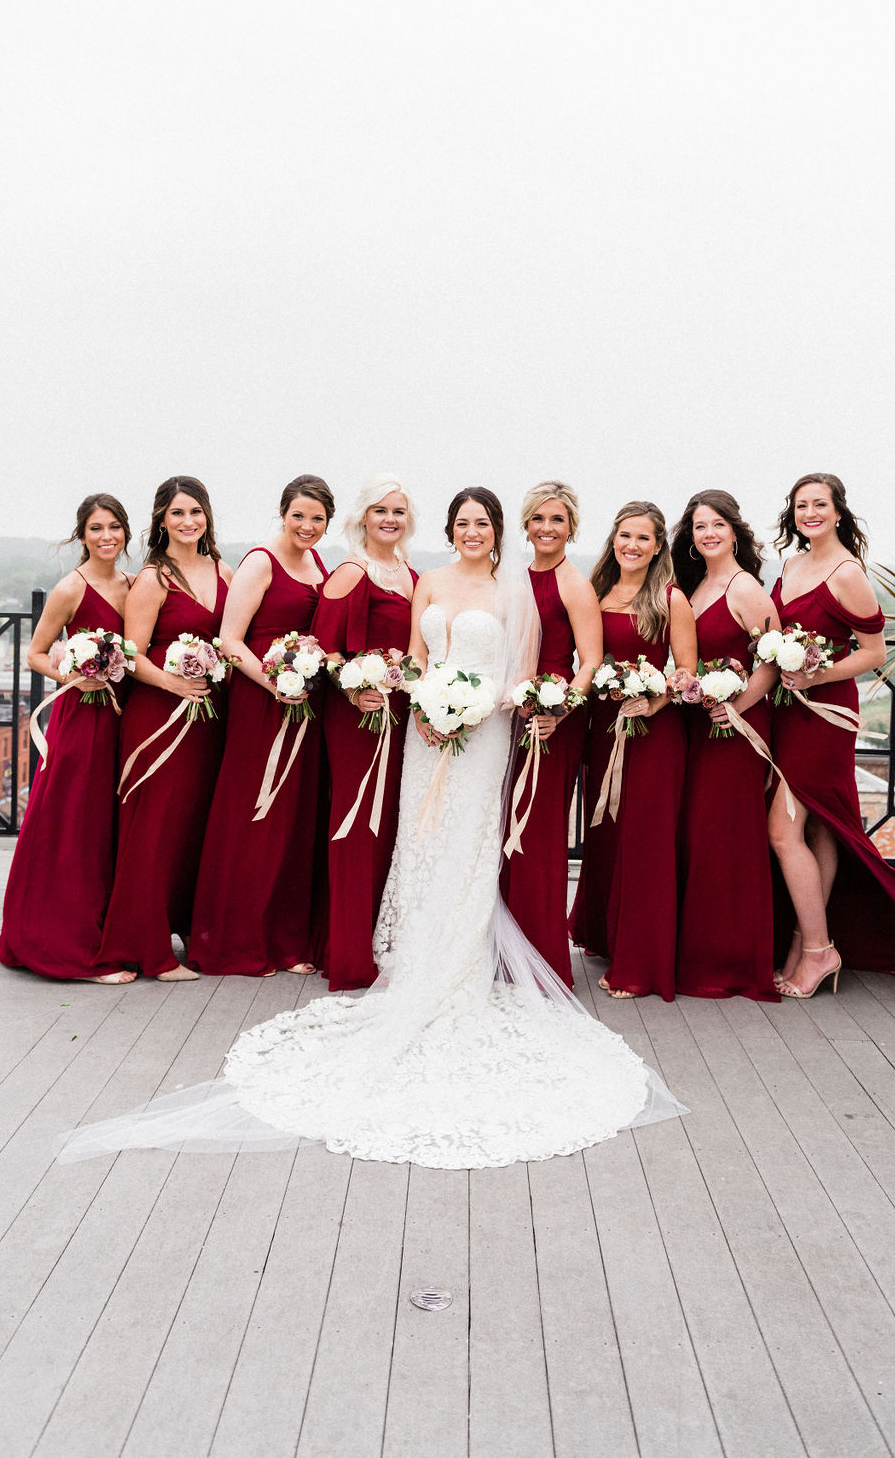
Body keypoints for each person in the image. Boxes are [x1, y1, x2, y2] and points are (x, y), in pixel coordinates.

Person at [57, 487, 685, 1168]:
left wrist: (506, 704)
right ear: (448, 530)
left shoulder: (519, 591)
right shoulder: (431, 581)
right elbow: (415, 657)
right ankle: (412, 955)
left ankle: (461, 967)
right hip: (424, 728)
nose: (472, 532)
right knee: (420, 838)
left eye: (483, 523)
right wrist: (426, 700)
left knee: (470, 844)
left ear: (498, 533)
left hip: (487, 733)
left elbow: (528, 668)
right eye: (462, 523)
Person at [768, 472, 895, 996]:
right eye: (800, 505)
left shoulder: (847, 572)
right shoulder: (791, 564)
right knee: (821, 827)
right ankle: (802, 944)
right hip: (789, 711)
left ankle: (818, 950)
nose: (809, 513)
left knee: (781, 831)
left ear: (839, 512)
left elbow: (874, 654)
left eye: (819, 504)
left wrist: (816, 673)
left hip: (826, 715)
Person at [189, 475, 333, 976]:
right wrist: (276, 684)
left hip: (305, 705)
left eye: (317, 518)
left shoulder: (317, 562)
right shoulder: (259, 561)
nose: (307, 526)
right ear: (282, 513)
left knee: (294, 820)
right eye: (299, 516)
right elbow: (230, 639)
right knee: (254, 814)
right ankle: (238, 940)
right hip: (262, 702)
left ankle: (286, 940)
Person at [0, 495, 136, 983]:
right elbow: (35, 653)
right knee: (75, 825)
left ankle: (110, 932)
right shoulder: (69, 589)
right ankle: (68, 944)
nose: (106, 537)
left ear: (126, 533)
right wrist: (76, 670)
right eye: (96, 528)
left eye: (115, 527)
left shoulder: (133, 584)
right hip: (82, 718)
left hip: (126, 719)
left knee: (112, 828)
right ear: (82, 535)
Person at [98, 477, 231, 980]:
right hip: (158, 717)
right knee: (152, 829)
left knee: (190, 827)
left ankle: (184, 927)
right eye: (177, 513)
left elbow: (235, 637)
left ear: (207, 516)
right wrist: (173, 685)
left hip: (206, 721)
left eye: (195, 511)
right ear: (160, 520)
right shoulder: (153, 578)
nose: (187, 521)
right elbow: (129, 653)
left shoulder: (225, 570)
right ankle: (146, 948)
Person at [569, 502, 696, 998]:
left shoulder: (670, 599)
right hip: (603, 729)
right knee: (609, 835)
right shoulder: (596, 592)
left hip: (652, 736)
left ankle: (640, 965)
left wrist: (653, 700)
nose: (632, 545)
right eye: (625, 535)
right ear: (613, 538)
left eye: (643, 538)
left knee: (645, 845)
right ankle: (605, 936)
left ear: (659, 545)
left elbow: (686, 674)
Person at [671, 489, 781, 1000]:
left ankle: (730, 962)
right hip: (699, 728)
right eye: (699, 526)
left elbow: (772, 663)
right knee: (699, 836)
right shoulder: (695, 584)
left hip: (735, 733)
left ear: (734, 530)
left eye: (717, 524)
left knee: (725, 840)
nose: (708, 533)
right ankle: (696, 953)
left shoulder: (746, 589)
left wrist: (735, 708)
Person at [310, 476, 417, 991]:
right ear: (363, 518)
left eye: (398, 511)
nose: (389, 519)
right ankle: (349, 954)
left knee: (390, 828)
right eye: (379, 510)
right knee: (356, 826)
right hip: (358, 717)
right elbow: (325, 649)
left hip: (401, 718)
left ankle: (380, 939)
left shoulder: (412, 575)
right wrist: (354, 690)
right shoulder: (351, 573)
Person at [499, 481, 601, 987]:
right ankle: (503, 947)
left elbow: (592, 661)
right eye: (538, 518)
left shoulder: (574, 583)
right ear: (525, 523)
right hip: (509, 716)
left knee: (537, 834)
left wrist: (560, 710)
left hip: (551, 720)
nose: (546, 528)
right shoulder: (513, 576)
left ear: (571, 527)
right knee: (503, 830)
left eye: (557, 520)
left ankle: (540, 958)